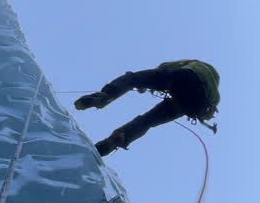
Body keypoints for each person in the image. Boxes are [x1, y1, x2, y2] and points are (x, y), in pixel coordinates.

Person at [74, 59, 220, 156]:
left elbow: (165, 67)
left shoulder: (196, 64)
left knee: (132, 79)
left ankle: (105, 96)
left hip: (183, 77)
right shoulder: (215, 93)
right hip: (194, 104)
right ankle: (120, 137)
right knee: (148, 121)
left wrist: (145, 84)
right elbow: (207, 113)